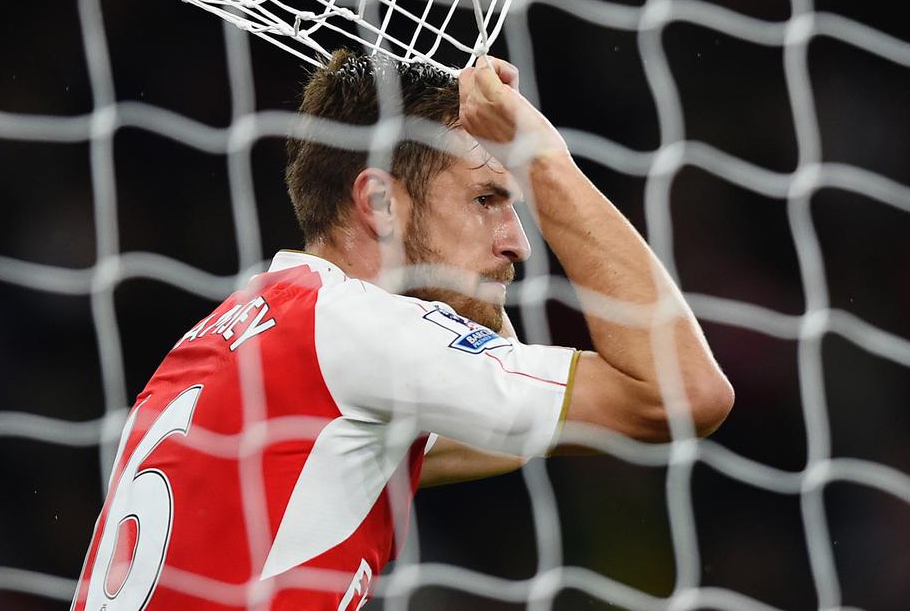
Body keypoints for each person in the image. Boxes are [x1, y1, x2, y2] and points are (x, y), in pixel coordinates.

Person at [71, 50, 734, 610]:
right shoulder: (359, 328)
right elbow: (683, 394)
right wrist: (542, 160)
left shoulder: (239, 332)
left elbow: (534, 424)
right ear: (380, 203)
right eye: (486, 200)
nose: (518, 243)